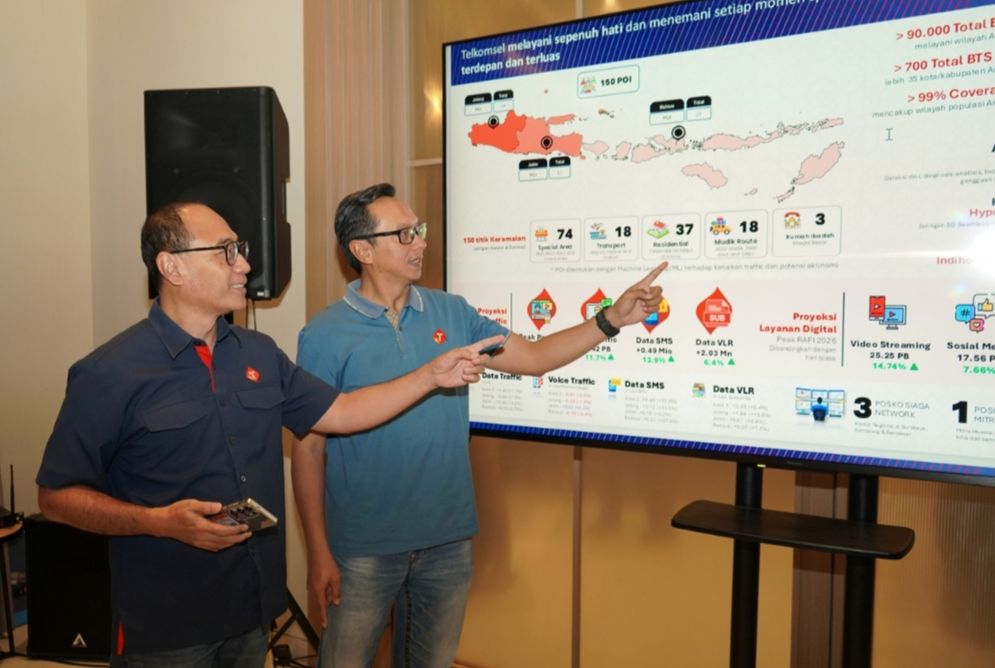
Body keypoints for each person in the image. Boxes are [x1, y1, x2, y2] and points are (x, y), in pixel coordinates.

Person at [35, 202, 501, 668]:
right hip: (166, 624)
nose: (245, 265)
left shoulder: (258, 353)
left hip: (251, 612)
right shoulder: (110, 372)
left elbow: (342, 412)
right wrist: (158, 522)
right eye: (226, 252)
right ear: (171, 266)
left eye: (241, 249)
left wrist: (429, 376)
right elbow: (56, 498)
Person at [293, 183, 667, 667]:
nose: (420, 242)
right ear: (362, 250)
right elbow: (309, 450)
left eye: (419, 229)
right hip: (361, 550)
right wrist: (318, 552)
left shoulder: (452, 312)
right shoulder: (324, 334)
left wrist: (610, 320)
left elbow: (534, 357)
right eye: (404, 234)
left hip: (446, 543)